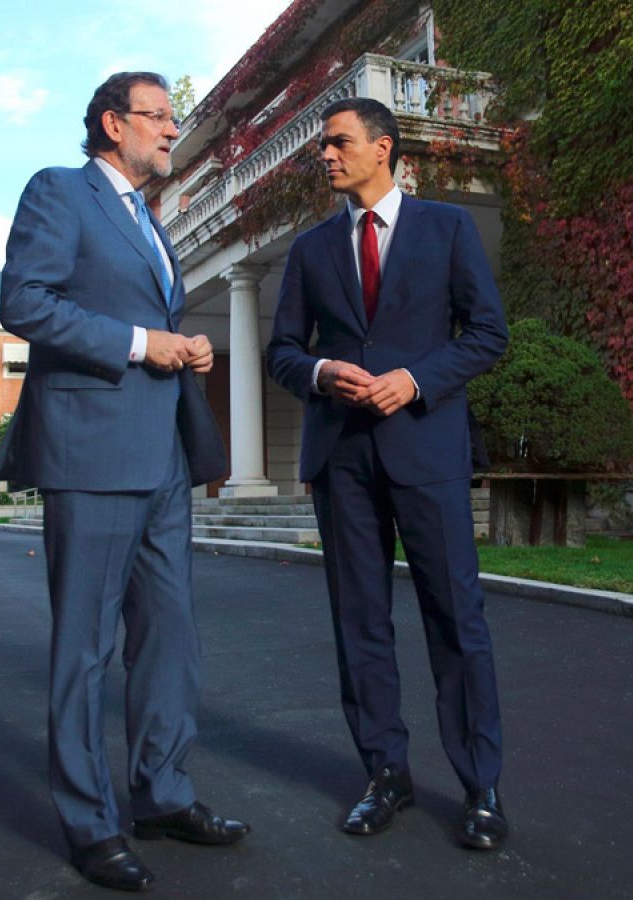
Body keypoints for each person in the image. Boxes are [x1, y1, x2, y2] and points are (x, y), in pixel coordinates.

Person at [0, 71, 246, 893]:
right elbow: (24, 302)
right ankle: (90, 824)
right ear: (111, 122)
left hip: (163, 457)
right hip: (90, 453)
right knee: (86, 649)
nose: (174, 130)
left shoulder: (149, 221)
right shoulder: (60, 193)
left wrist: (184, 346)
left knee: (171, 637)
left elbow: (151, 319)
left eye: (175, 118)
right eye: (160, 117)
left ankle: (163, 796)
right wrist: (142, 342)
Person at [265, 97, 511, 850]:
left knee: (455, 620)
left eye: (338, 143)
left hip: (426, 451)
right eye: (323, 147)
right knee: (360, 624)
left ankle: (481, 788)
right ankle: (385, 776)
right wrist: (318, 371)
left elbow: (489, 334)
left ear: (383, 148)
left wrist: (416, 380)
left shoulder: (447, 228)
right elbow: (280, 350)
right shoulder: (310, 250)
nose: (327, 157)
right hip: (342, 460)